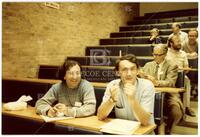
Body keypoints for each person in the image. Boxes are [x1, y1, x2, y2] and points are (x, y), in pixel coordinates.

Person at [97, 54, 155, 126]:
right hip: (122, 131)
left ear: (138, 71)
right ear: (117, 72)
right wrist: (111, 100)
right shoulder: (112, 85)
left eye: (132, 69)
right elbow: (100, 116)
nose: (129, 74)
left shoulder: (147, 86)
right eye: (124, 70)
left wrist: (132, 100)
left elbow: (145, 121)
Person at [141, 44, 183, 134]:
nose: (155, 57)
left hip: (168, 95)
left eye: (158, 55)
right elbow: (141, 77)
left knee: (176, 113)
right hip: (150, 94)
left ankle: (168, 130)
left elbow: (171, 82)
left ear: (165, 54)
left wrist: (156, 82)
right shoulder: (148, 65)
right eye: (154, 54)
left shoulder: (172, 65)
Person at [166, 35, 196, 117]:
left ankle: (186, 107)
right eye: (177, 42)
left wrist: (186, 69)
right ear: (171, 43)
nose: (180, 43)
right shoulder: (166, 53)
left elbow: (186, 67)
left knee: (186, 80)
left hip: (181, 75)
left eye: (180, 41)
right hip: (168, 74)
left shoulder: (183, 53)